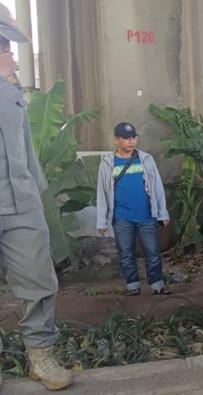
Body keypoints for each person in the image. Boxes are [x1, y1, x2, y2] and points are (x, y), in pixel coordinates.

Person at [0, 4, 73, 390]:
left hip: (19, 201)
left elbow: (24, 147)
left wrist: (35, 191)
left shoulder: (11, 91)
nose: (11, 54)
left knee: (39, 281)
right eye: (3, 45)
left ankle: (40, 357)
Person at [97, 122, 172, 296]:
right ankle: (133, 286)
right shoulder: (107, 164)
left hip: (147, 216)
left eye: (133, 137)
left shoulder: (146, 159)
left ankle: (157, 285)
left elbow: (157, 188)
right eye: (126, 138)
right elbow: (102, 192)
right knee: (126, 253)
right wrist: (101, 221)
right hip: (121, 217)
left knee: (153, 252)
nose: (131, 141)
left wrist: (162, 213)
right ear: (116, 140)